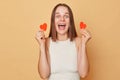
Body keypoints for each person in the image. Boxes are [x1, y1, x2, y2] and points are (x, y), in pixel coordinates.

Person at [35, 3, 91, 80]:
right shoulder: (46, 42)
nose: (62, 19)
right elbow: (44, 75)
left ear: (70, 22)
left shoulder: (78, 42)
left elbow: (83, 73)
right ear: (53, 21)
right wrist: (41, 45)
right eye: (58, 16)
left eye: (66, 16)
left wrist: (83, 44)